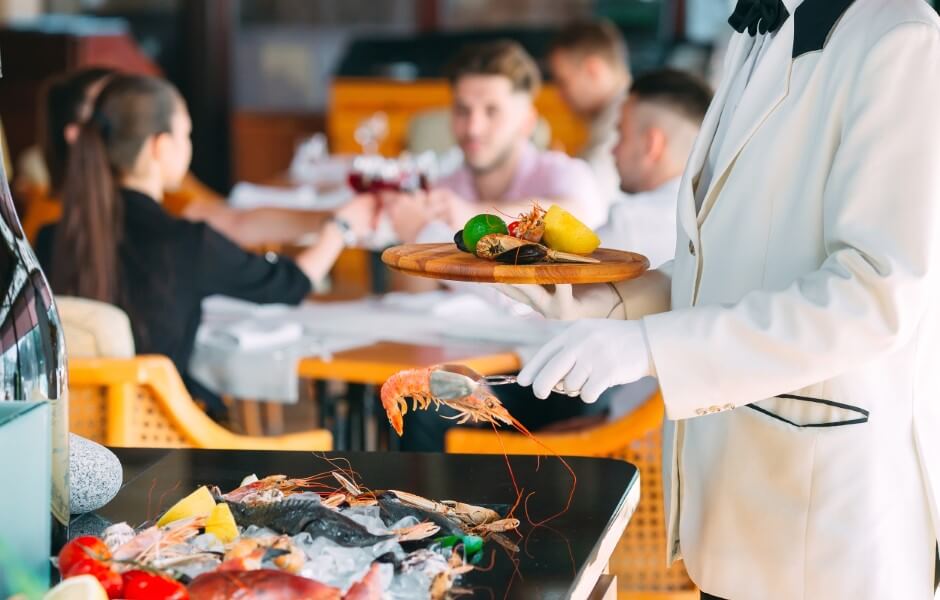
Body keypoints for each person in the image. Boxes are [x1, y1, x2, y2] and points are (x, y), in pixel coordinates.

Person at [503, 1, 940, 598]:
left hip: (825, 531)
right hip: (735, 511)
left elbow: (872, 295)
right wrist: (604, 306)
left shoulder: (901, 37)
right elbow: (726, 263)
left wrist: (649, 346)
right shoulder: (752, 36)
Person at [35, 74, 375, 419]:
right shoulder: (185, 242)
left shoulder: (50, 238)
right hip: (161, 437)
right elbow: (291, 284)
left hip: (72, 436)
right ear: (160, 146)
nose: (189, 146)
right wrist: (342, 227)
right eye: (186, 134)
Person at [20, 67, 333, 248]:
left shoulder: (157, 182)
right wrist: (338, 226)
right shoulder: (55, 227)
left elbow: (228, 210)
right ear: (78, 136)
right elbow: (231, 222)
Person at [384, 39, 603, 246]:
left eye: (492, 111)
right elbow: (413, 286)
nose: (473, 128)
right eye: (463, 110)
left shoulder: (567, 174)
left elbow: (577, 219)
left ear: (527, 122)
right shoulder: (443, 190)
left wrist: (471, 216)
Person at [597, 68, 713, 268]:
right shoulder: (718, 218)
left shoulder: (631, 224)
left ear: (652, 144)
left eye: (622, 135)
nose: (613, 151)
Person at [548, 20, 632, 203]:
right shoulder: (614, 119)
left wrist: (561, 172)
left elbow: (589, 201)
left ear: (593, 70)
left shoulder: (627, 124)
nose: (560, 96)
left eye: (563, 82)